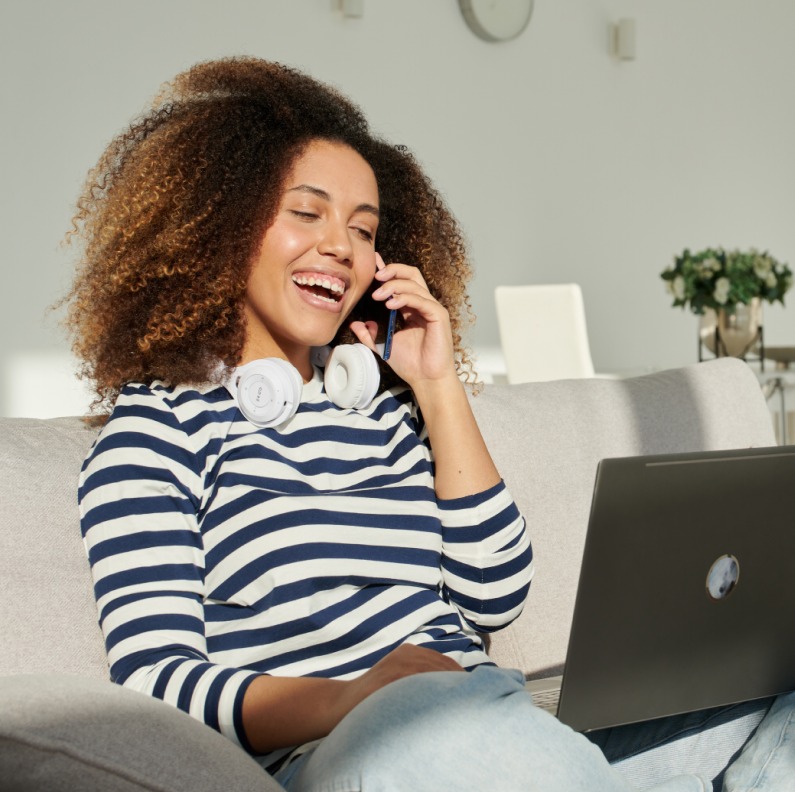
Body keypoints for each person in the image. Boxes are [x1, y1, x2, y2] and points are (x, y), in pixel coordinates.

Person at [64, 57, 794, 791]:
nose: (340, 247)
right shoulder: (157, 431)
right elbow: (159, 682)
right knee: (454, 734)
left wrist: (437, 387)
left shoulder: (383, 414)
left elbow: (496, 590)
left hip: (501, 720)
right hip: (356, 743)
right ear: (220, 223)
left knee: (768, 685)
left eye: (362, 229)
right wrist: (350, 697)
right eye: (306, 213)